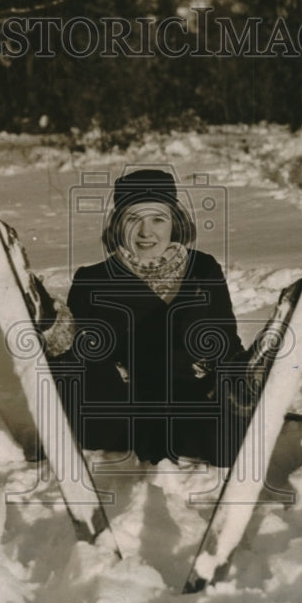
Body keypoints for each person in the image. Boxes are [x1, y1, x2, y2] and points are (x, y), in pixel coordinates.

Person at [50, 169, 253, 466]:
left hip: (186, 398)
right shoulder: (92, 279)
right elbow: (84, 365)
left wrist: (232, 369)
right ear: (118, 225)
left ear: (175, 221)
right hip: (122, 405)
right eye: (133, 219)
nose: (146, 232)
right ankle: (47, 321)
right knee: (83, 361)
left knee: (225, 443)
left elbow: (224, 340)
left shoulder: (203, 269)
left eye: (158, 219)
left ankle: (242, 399)